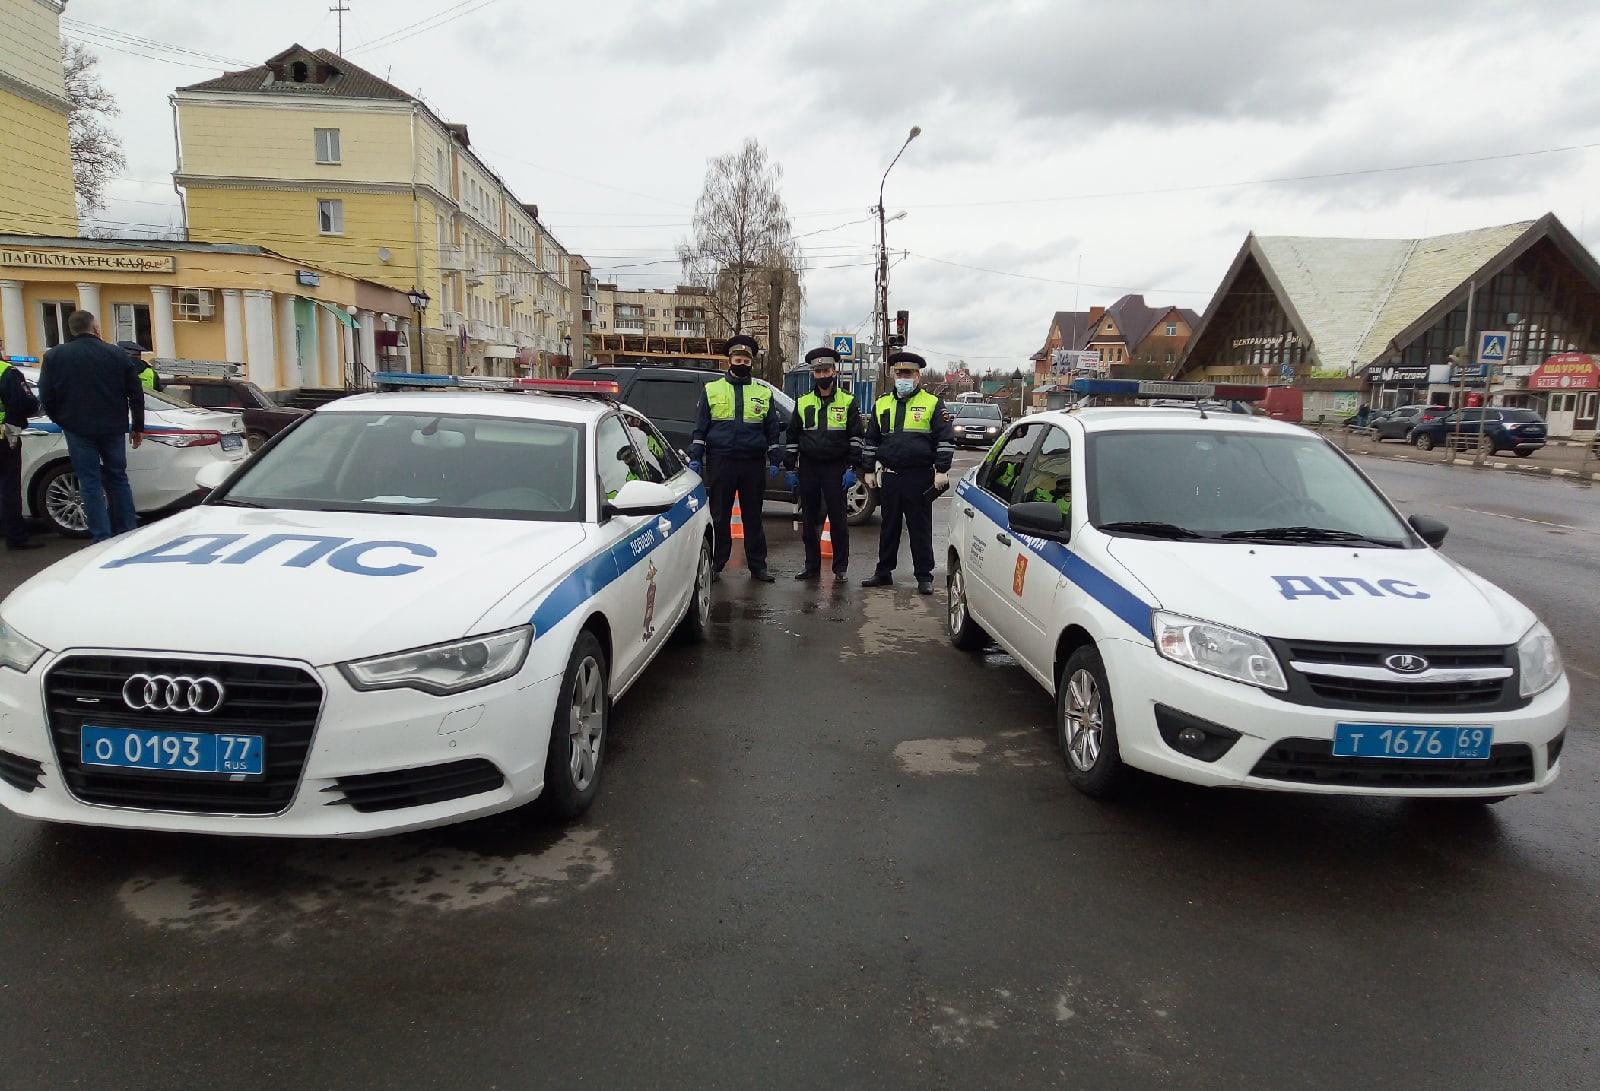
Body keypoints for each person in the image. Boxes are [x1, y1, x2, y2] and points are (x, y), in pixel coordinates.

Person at [37, 310, 145, 543]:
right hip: (113, 427)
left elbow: (45, 395)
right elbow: (136, 393)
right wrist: (137, 426)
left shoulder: (55, 356)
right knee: (118, 477)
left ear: (71, 330)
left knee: (89, 482)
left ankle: (102, 537)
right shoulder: (116, 354)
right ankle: (127, 531)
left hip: (77, 428)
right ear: (94, 328)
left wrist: (61, 419)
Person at [689, 334, 783, 582]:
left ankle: (758, 566)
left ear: (751, 363)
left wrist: (775, 459)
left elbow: (772, 429)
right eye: (737, 358)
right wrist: (696, 456)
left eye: (745, 359)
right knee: (720, 515)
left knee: (753, 516)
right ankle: (717, 565)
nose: (741, 362)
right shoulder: (712, 390)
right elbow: (701, 427)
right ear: (729, 361)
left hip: (752, 462)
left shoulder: (763, 392)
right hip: (722, 460)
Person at [860, 350, 955, 595]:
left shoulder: (932, 403)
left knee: (919, 527)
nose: (903, 377)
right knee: (888, 526)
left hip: (919, 476)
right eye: (899, 372)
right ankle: (883, 572)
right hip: (890, 476)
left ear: (918, 376)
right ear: (893, 375)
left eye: (909, 373)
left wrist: (942, 470)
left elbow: (944, 439)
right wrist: (868, 468)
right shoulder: (882, 403)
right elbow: (871, 439)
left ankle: (924, 576)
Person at [784, 345, 864, 582]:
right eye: (818, 372)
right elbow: (792, 437)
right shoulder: (803, 402)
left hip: (835, 467)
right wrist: (790, 467)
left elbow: (856, 437)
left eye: (826, 370)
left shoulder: (848, 402)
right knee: (809, 519)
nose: (822, 375)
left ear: (834, 371)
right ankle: (811, 566)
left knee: (838, 519)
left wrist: (852, 467)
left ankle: (840, 569)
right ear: (813, 374)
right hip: (809, 467)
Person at [0, 340, 42, 551]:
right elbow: (26, 404)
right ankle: (15, 536)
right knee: (8, 486)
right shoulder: (6, 372)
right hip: (4, 438)